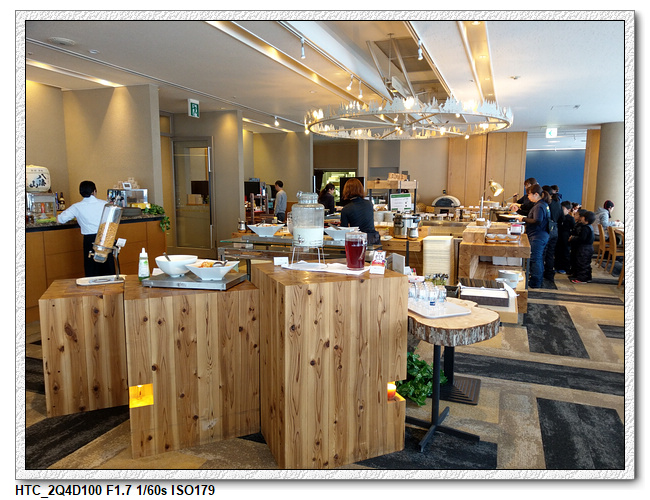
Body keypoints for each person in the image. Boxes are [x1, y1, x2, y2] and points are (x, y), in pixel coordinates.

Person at [57, 180, 116, 277]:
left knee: (92, 270)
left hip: (90, 240)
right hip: (106, 238)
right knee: (108, 269)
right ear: (94, 191)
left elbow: (60, 219)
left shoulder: (76, 207)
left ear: (81, 192)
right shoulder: (105, 204)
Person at [512, 184, 550, 288]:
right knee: (538, 258)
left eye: (529, 195)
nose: (528, 197)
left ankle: (535, 282)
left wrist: (522, 219)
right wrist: (519, 213)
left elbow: (537, 220)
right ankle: (537, 280)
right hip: (540, 235)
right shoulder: (542, 204)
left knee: (535, 259)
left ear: (536, 194)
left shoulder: (539, 206)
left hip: (538, 236)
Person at [340, 178, 380, 244]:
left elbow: (343, 230)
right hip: (374, 240)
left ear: (346, 191)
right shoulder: (369, 204)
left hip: (358, 242)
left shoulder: (346, 209)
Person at [569, 210, 596, 284]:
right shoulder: (589, 227)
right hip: (587, 248)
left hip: (584, 249)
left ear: (585, 219)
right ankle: (586, 277)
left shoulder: (585, 228)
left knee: (582, 263)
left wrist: (573, 238)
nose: (581, 218)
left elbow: (582, 238)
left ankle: (582, 278)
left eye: (582, 217)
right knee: (585, 263)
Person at [543, 186, 562, 281]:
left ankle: (541, 273)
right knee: (550, 254)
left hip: (547, 229)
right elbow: (562, 218)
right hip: (555, 230)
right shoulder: (558, 203)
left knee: (543, 253)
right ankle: (549, 274)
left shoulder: (546, 204)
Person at [554, 200, 575, 274]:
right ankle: (557, 266)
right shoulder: (559, 217)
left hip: (566, 238)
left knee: (565, 252)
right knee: (557, 252)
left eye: (562, 209)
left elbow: (573, 228)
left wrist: (571, 235)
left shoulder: (570, 218)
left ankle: (565, 268)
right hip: (558, 236)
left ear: (568, 210)